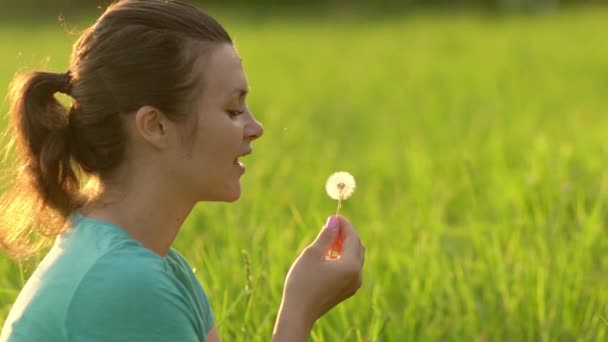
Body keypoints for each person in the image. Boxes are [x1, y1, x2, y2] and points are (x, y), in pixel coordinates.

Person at [0, 0, 366, 341]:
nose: (256, 128)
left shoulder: (154, 266)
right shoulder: (121, 281)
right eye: (233, 110)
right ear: (155, 126)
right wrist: (299, 311)